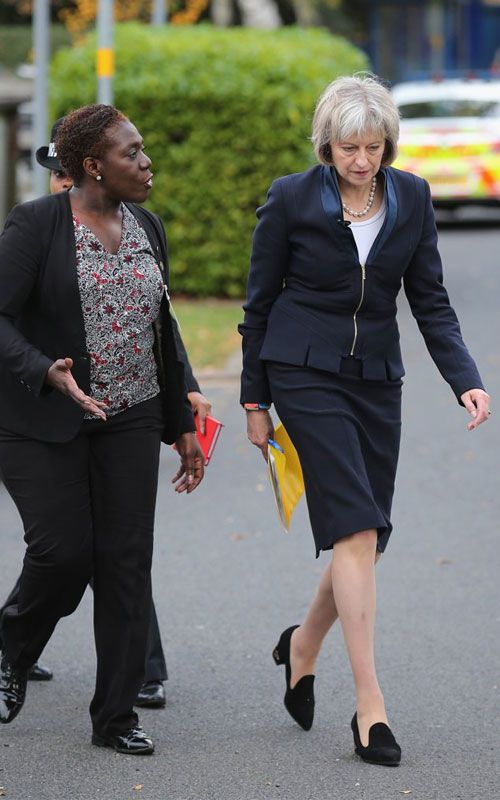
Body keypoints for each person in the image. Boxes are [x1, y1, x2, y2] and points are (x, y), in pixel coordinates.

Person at [239, 75, 490, 766]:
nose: (362, 160)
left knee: (367, 536)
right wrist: (255, 402)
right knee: (353, 526)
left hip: (377, 376)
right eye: (349, 147)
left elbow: (430, 299)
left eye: (374, 147)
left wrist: (465, 379)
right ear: (328, 144)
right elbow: (258, 304)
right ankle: (370, 708)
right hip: (302, 370)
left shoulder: (412, 196)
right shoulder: (292, 197)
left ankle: (300, 646)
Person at [0, 104, 205, 755]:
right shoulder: (36, 224)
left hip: (132, 414)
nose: (146, 163)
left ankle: (115, 716)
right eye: (132, 153)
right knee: (64, 553)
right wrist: (44, 370)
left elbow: (160, 327)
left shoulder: (147, 225)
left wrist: (181, 422)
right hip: (41, 417)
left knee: (125, 563)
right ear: (92, 165)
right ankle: (11, 647)